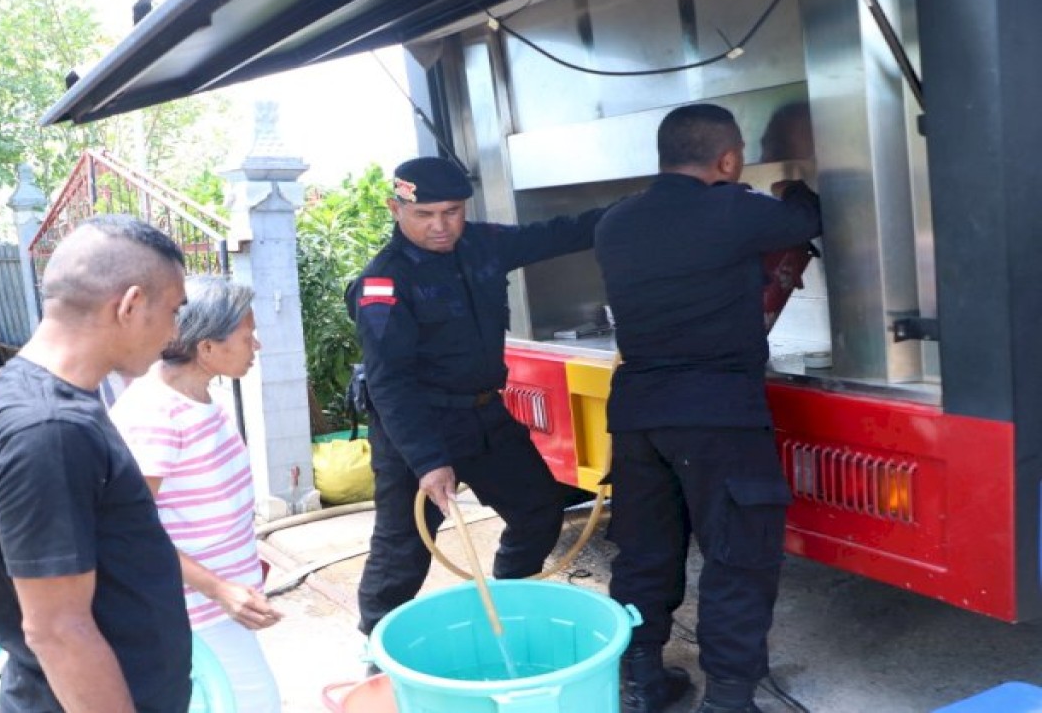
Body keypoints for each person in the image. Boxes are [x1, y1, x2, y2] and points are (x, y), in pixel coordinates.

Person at [594, 104, 822, 713]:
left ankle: (642, 680)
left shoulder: (616, 222)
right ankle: (726, 698)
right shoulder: (736, 210)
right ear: (727, 159)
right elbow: (805, 217)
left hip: (639, 416)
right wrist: (794, 186)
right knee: (736, 556)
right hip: (719, 414)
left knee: (645, 550)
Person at [347, 156, 607, 642]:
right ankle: (374, 646)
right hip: (416, 426)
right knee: (403, 548)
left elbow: (561, 232)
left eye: (451, 212)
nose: (441, 227)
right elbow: (390, 383)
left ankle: (507, 608)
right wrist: (428, 461)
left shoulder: (483, 244)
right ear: (395, 208)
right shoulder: (384, 281)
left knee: (538, 511)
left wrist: (648, 206)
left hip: (485, 414)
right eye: (425, 215)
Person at [0, 214, 193, 713]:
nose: (175, 333)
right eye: (175, 311)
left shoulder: (52, 398)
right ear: (131, 305)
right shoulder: (47, 430)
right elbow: (57, 631)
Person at [109, 275, 283, 712]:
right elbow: (130, 534)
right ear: (206, 348)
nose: (256, 346)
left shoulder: (199, 397)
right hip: (192, 609)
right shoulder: (154, 415)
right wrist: (219, 588)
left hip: (218, 602)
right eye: (247, 336)